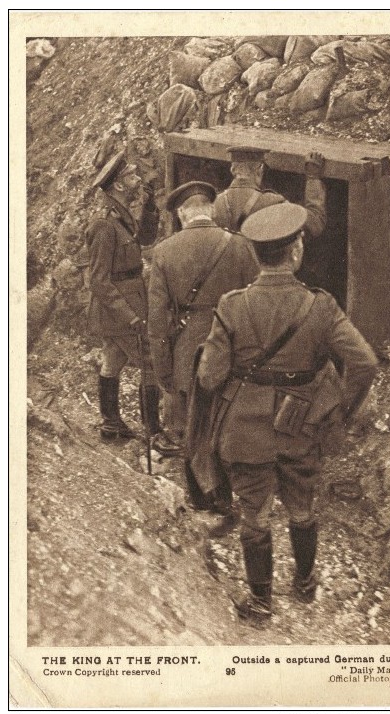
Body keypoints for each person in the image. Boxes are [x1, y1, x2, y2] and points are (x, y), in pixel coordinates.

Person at [196, 202, 378, 625]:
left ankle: (261, 603)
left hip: (245, 429)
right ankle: (305, 584)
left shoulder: (232, 305)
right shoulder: (320, 306)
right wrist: (339, 412)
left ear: (257, 255)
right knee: (302, 505)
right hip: (304, 425)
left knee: (255, 514)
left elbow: (208, 379)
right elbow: (364, 362)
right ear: (296, 250)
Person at [147, 181, 259, 523]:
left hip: (187, 345)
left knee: (191, 419)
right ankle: (227, 492)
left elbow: (157, 318)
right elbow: (255, 301)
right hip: (231, 341)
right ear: (210, 209)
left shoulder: (164, 252)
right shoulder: (241, 246)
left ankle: (202, 496)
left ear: (182, 214)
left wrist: (162, 365)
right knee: (225, 415)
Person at [86, 151, 160, 441]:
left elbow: (144, 240)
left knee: (114, 359)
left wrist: (150, 208)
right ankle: (153, 431)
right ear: (118, 185)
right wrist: (130, 317)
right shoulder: (104, 224)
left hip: (124, 304)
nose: (137, 179)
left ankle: (111, 423)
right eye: (131, 176)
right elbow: (98, 281)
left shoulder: (121, 215)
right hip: (119, 310)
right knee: (151, 362)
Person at [213, 146, 327, 240]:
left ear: (232, 170)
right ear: (260, 169)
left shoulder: (214, 203)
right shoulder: (272, 203)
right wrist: (313, 178)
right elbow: (314, 224)